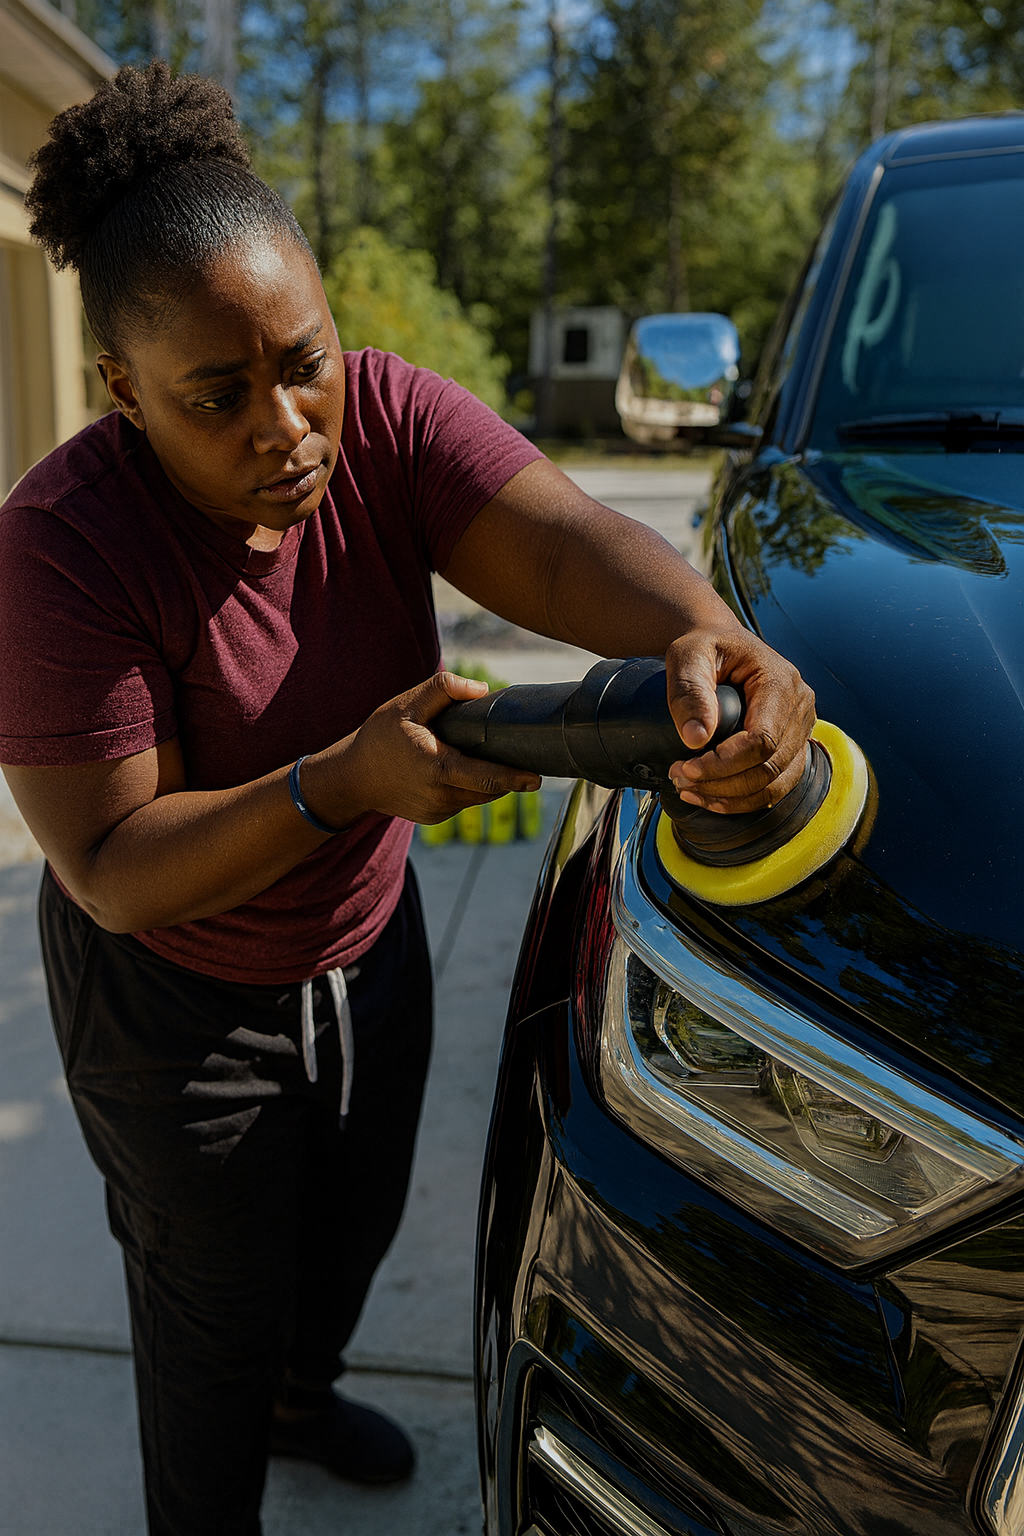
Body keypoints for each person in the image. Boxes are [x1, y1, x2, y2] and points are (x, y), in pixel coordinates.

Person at [0, 60, 815, 1536]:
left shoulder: (385, 423)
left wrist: (710, 634)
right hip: (175, 1004)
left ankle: (303, 1403)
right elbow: (111, 867)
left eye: (303, 358)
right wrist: (336, 783)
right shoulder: (64, 548)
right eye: (218, 396)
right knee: (211, 1310)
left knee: (356, 1234)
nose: (288, 424)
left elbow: (563, 544)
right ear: (123, 390)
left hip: (365, 943)